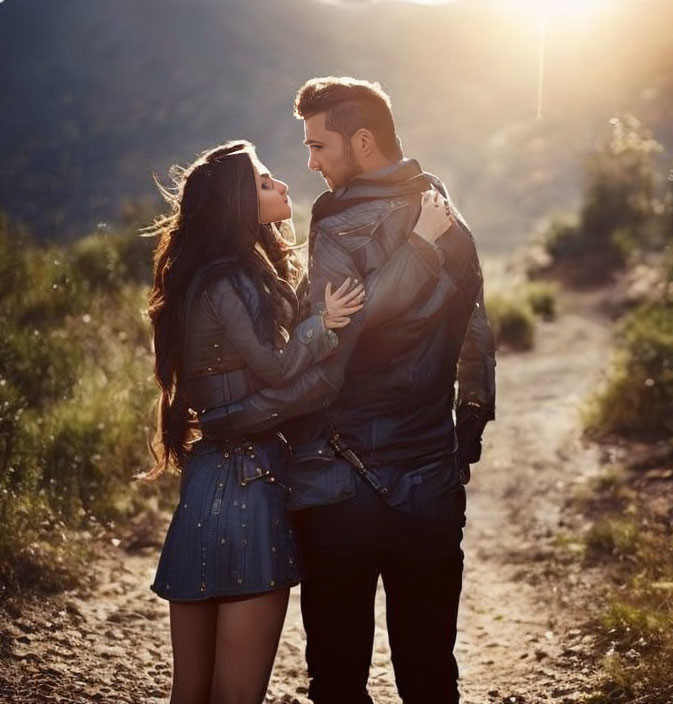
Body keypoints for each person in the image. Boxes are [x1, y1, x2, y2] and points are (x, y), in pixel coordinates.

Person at [199, 77, 496, 704]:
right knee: (430, 671)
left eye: (318, 146)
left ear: (361, 142)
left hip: (337, 486)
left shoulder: (336, 226)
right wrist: (470, 417)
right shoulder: (446, 213)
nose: (309, 164)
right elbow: (476, 321)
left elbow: (333, 351)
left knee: (337, 676)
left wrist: (239, 415)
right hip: (430, 481)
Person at [143, 139, 453, 704]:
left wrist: (224, 419)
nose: (284, 183)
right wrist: (329, 325)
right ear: (238, 202)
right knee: (235, 694)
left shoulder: (223, 275)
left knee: (189, 691)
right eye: (264, 181)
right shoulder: (232, 280)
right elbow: (285, 369)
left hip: (206, 486)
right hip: (247, 487)